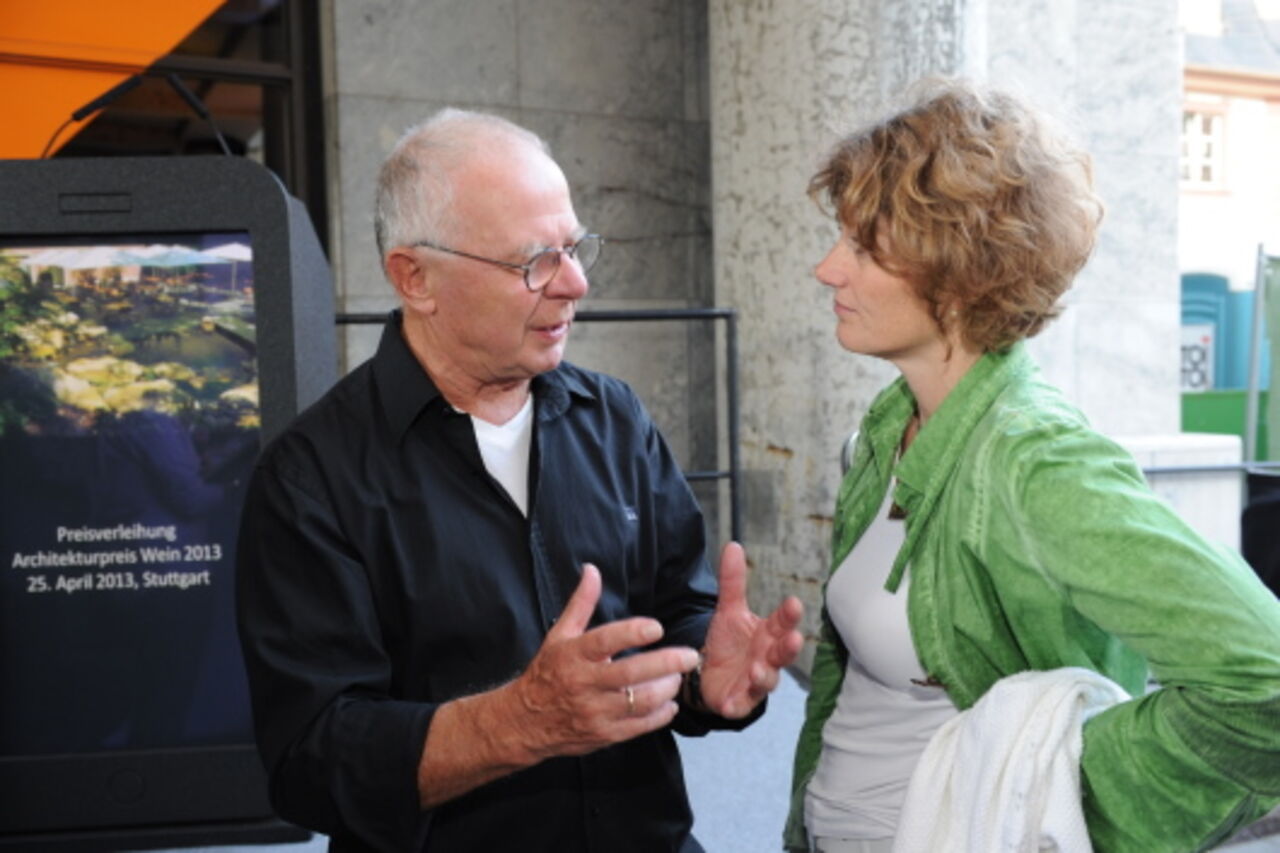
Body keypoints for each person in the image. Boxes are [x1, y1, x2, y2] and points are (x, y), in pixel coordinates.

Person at [235, 108, 804, 853]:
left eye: (575, 246)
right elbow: (311, 759)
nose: (576, 282)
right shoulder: (310, 480)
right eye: (535, 260)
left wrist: (707, 676)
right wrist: (518, 722)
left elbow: (677, 613)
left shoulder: (616, 418)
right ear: (416, 277)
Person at [784, 80, 1280, 853]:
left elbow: (1264, 683)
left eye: (863, 245)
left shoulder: (1034, 462)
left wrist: (1073, 785)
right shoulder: (888, 427)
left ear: (959, 267)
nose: (826, 269)